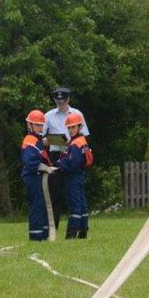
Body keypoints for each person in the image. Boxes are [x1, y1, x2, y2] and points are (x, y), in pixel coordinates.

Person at [43, 87, 89, 229]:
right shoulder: (48, 115)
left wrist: (68, 143)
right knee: (54, 192)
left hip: (73, 155)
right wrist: (57, 141)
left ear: (68, 100)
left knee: (75, 191)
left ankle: (78, 225)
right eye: (58, 101)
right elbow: (42, 138)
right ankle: (53, 226)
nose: (60, 104)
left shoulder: (77, 114)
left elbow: (84, 136)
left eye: (63, 101)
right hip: (56, 155)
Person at [57, 112, 93, 239]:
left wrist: (59, 163)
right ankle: (83, 231)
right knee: (82, 204)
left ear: (79, 127)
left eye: (73, 127)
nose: (71, 130)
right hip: (79, 176)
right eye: (69, 127)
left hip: (73, 177)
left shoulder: (76, 143)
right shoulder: (80, 141)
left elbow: (72, 163)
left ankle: (71, 233)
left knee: (74, 205)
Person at [21, 110, 54, 241]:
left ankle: (43, 235)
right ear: (29, 125)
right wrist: (45, 167)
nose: (40, 128)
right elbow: (30, 162)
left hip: (38, 176)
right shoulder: (30, 140)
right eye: (37, 125)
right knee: (37, 206)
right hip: (32, 177)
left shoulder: (37, 139)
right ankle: (35, 237)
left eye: (41, 125)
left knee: (43, 205)